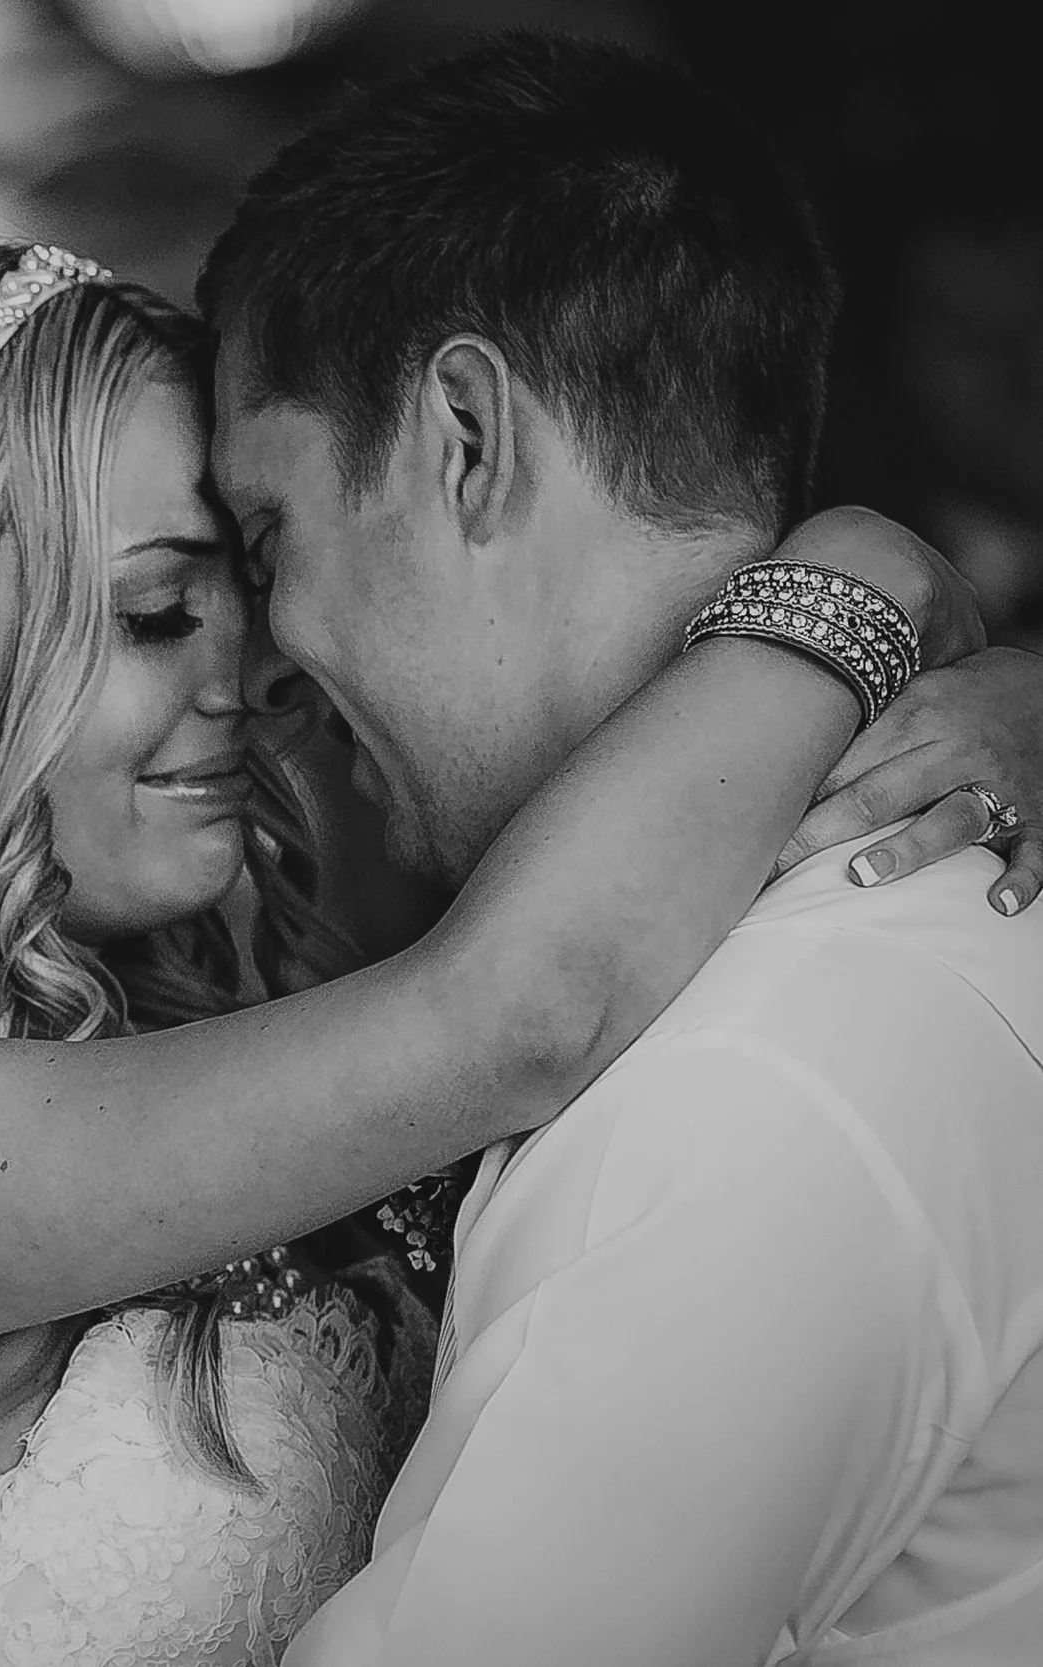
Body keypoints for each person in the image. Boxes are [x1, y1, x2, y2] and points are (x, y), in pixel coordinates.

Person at [0, 224, 1043, 1664]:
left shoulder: (216, 1019)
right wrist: (864, 579)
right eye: (153, 610)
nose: (255, 675)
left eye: (244, 592)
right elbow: (522, 1009)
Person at [183, 35, 1043, 1667]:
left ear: (463, 437)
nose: (264, 671)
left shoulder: (746, 1077)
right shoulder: (899, 919)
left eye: (265, 538)